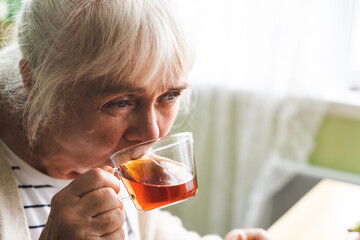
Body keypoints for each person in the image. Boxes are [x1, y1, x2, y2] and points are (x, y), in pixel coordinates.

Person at [0, 0, 271, 239]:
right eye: (120, 102)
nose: (151, 132)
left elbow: (148, 231)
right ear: (34, 85)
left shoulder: (110, 162)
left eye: (170, 94)